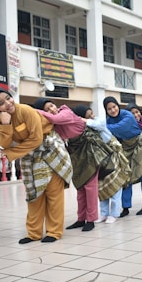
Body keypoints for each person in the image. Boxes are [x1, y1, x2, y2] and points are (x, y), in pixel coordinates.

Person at [0, 88, 72, 244]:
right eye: (1, 103)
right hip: (30, 157)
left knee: (53, 193)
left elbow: (36, 139)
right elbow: (3, 143)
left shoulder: (26, 110)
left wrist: (11, 153)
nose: (8, 103)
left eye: (8, 98)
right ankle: (34, 233)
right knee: (34, 195)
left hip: (49, 151)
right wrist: (6, 124)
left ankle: (54, 231)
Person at [34, 98, 109, 232]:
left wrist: (33, 111)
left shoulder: (65, 112)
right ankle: (81, 219)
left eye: (51, 105)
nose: (52, 109)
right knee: (80, 187)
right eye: (47, 109)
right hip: (75, 154)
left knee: (90, 187)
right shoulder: (55, 125)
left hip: (89, 151)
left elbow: (55, 119)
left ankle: (91, 219)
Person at [73, 105, 131, 224]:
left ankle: (114, 213)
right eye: (88, 115)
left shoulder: (99, 120)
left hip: (113, 155)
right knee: (101, 187)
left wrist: (85, 120)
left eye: (92, 114)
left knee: (115, 185)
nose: (92, 116)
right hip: (99, 159)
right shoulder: (83, 128)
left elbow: (99, 125)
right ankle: (104, 213)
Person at [103, 96, 142, 217]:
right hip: (125, 147)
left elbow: (118, 128)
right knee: (126, 177)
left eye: (114, 107)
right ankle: (125, 207)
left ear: (117, 106)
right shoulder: (109, 120)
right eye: (109, 109)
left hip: (141, 145)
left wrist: (100, 126)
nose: (113, 110)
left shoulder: (127, 115)